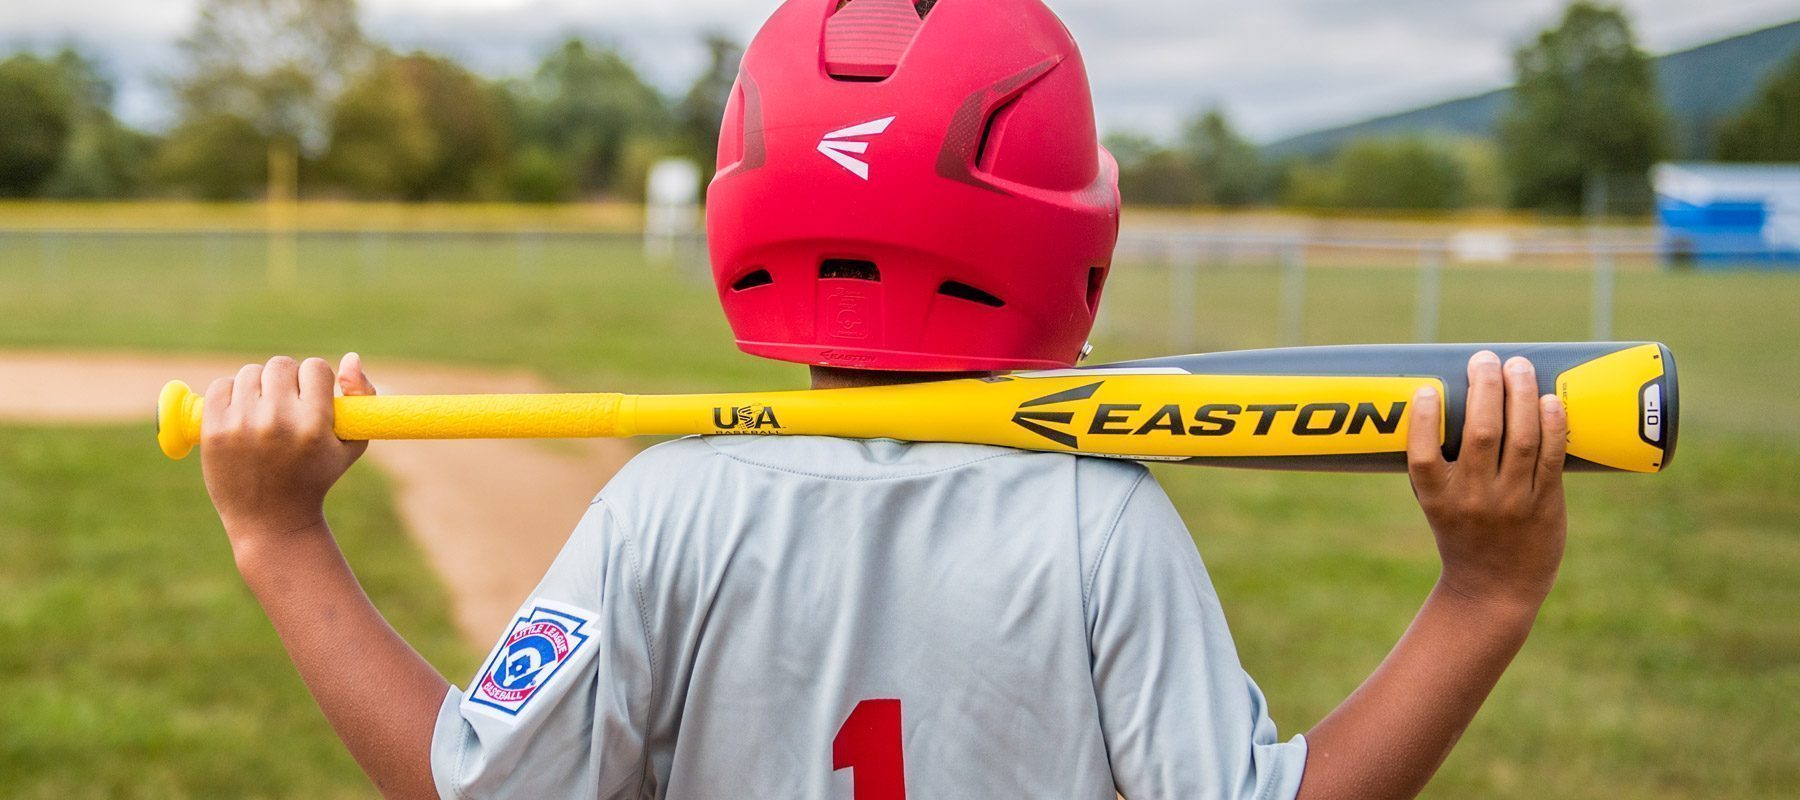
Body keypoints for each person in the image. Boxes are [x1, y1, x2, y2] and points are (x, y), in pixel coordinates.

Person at [198, 1, 1570, 798]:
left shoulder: (664, 501)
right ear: (1062, 233)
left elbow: (468, 785)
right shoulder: (1098, 519)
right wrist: (1482, 596)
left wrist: (280, 535)